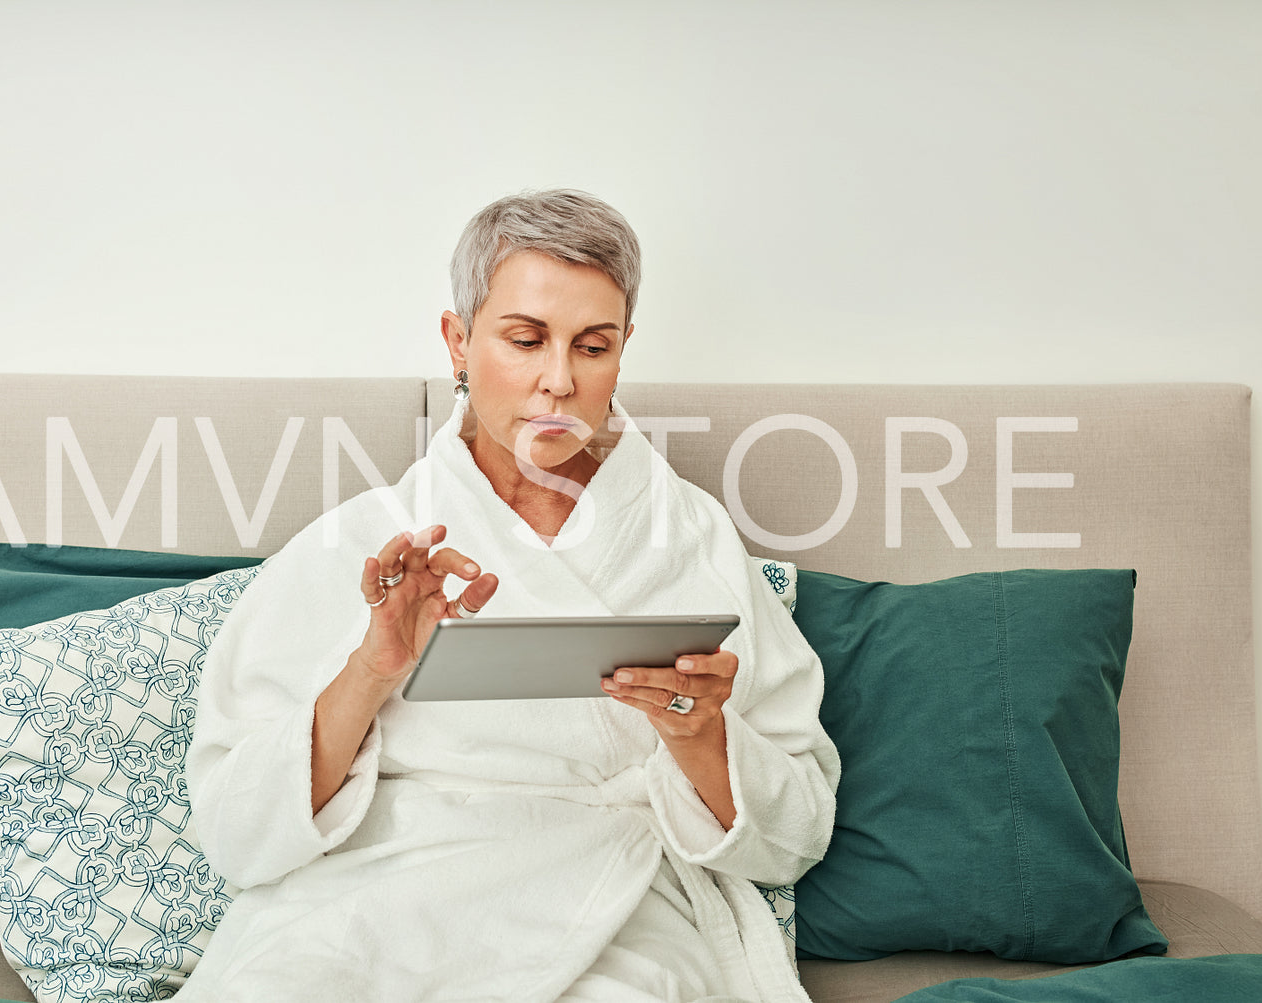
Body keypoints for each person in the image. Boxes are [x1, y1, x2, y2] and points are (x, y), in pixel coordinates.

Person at [180, 190, 840, 1002]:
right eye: (524, 340)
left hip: (619, 904)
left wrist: (700, 733)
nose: (557, 381)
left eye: (591, 347)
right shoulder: (358, 541)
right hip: (379, 895)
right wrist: (373, 666)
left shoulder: (691, 537)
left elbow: (795, 832)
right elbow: (237, 832)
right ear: (458, 341)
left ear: (623, 350)